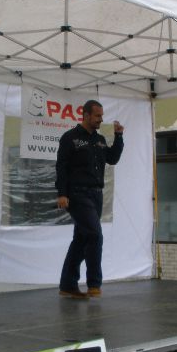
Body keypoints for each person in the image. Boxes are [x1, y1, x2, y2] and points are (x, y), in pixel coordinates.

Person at [56, 99, 124, 298]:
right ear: (86, 115)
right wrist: (62, 193)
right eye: (97, 116)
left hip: (96, 195)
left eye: (102, 116)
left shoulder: (100, 139)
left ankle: (67, 285)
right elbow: (61, 167)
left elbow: (112, 158)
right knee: (94, 235)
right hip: (77, 194)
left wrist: (119, 137)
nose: (100, 119)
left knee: (81, 239)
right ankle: (94, 283)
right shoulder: (70, 138)